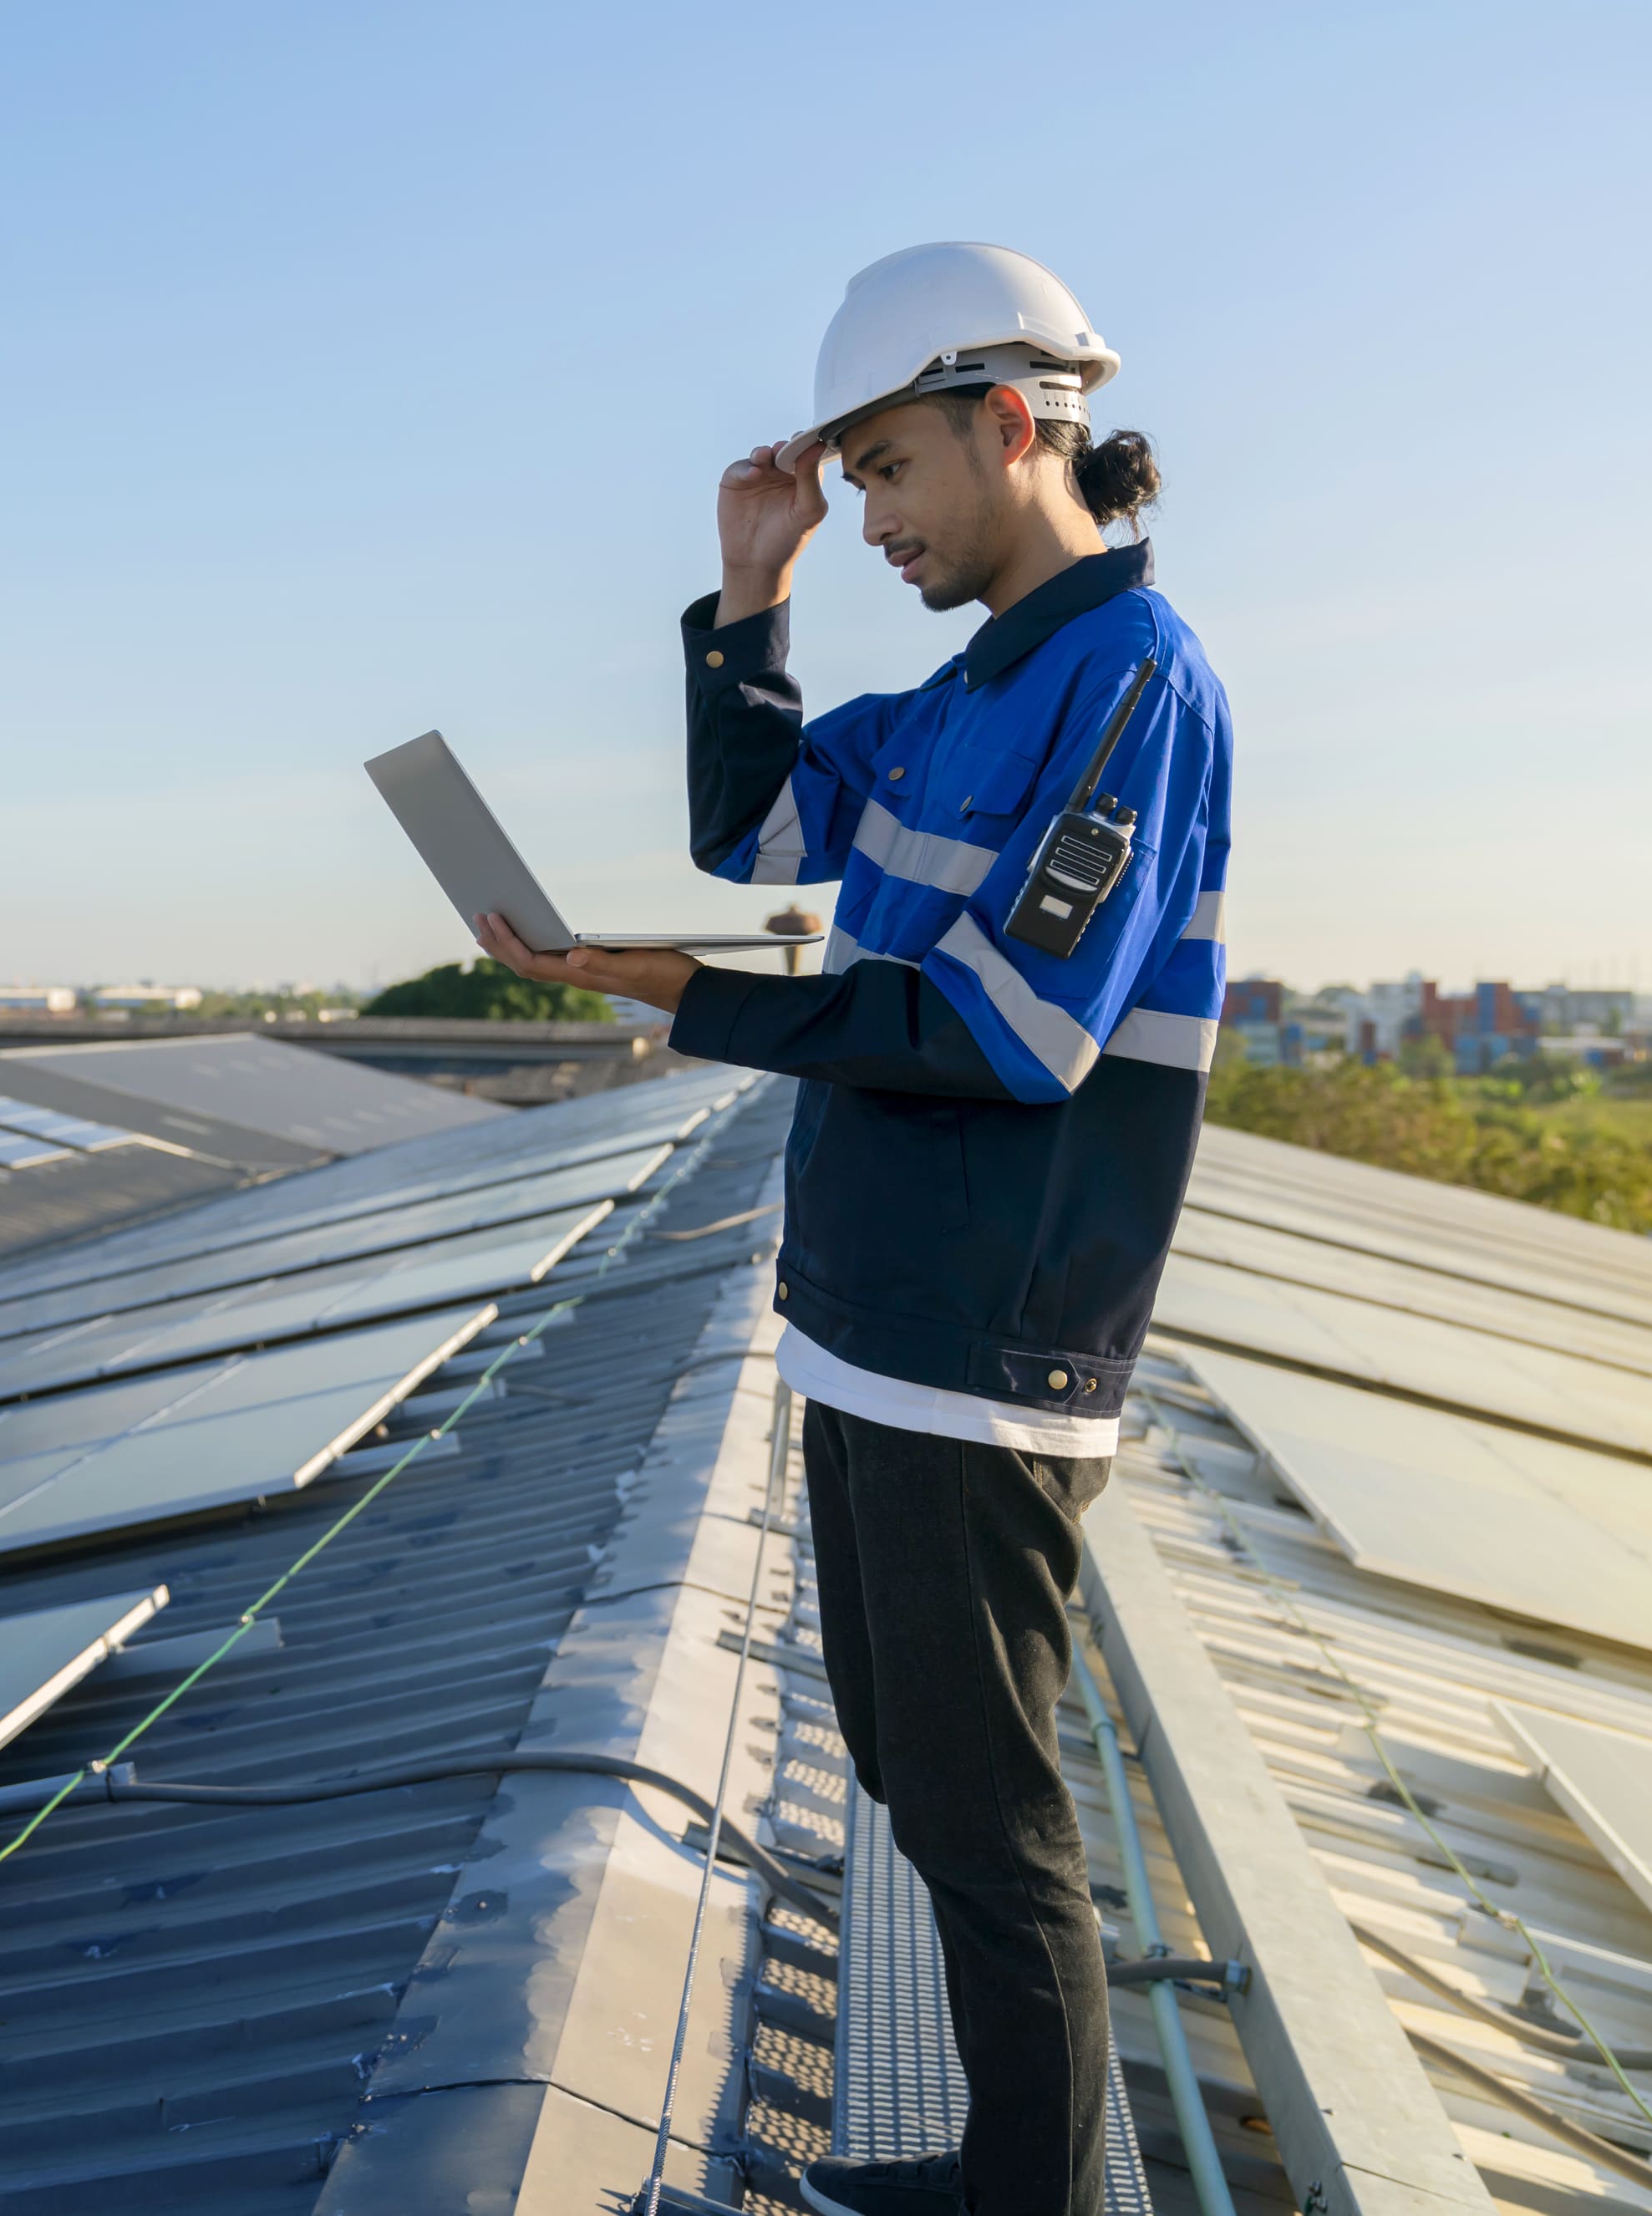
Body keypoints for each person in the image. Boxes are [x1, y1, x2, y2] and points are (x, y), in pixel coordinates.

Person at [475, 242, 1230, 2216]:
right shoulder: (957, 695)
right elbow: (756, 841)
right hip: (871, 1320)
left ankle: (1031, 2204)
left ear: (1007, 423)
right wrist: (753, 592)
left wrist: (671, 991)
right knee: (911, 1776)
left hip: (984, 1340)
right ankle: (1002, 2178)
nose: (871, 517)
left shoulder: (1132, 685)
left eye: (884, 472)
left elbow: (1009, 1030)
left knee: (989, 1833)